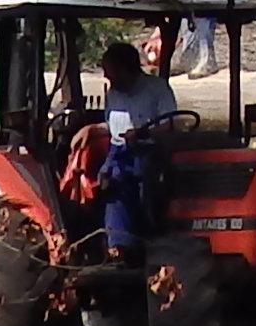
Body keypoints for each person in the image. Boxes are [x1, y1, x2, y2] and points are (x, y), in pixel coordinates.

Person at [64, 26, 189, 256]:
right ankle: (117, 249)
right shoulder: (114, 93)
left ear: (126, 69)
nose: (106, 76)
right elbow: (113, 127)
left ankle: (151, 238)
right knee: (111, 184)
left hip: (151, 153)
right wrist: (91, 130)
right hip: (119, 153)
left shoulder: (156, 89)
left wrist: (144, 133)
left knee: (146, 186)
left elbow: (170, 125)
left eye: (110, 71)